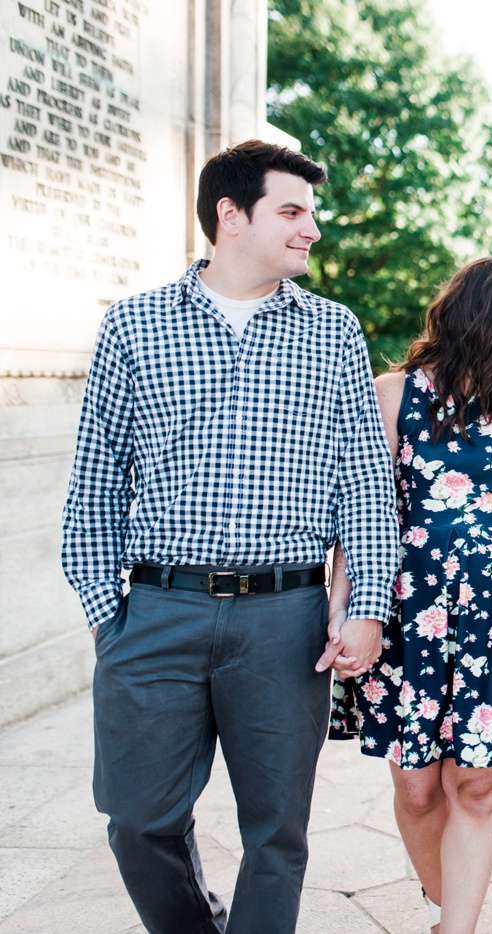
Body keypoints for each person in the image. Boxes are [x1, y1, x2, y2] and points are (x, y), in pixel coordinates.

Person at [60, 140, 399, 933]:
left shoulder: (333, 334)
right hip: (156, 613)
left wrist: (367, 606)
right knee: (138, 822)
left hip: (283, 622)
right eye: (292, 211)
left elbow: (363, 486)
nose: (311, 229)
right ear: (230, 215)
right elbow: (95, 489)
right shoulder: (134, 327)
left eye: (310, 214)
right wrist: (112, 623)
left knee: (277, 836)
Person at [329, 256, 492, 934]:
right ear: (481, 316)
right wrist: (345, 610)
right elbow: (363, 516)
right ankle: (446, 902)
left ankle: (456, 928)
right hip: (409, 614)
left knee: (475, 782)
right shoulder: (392, 393)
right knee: (416, 785)